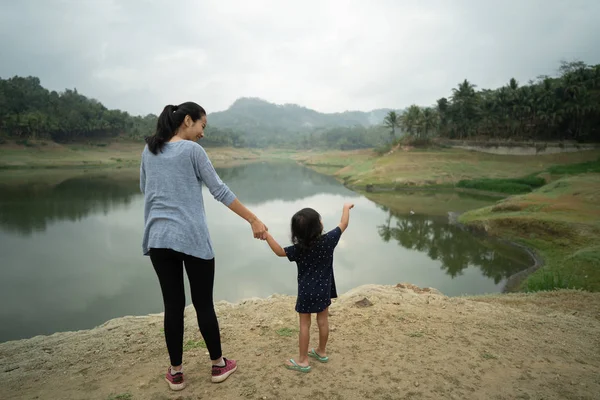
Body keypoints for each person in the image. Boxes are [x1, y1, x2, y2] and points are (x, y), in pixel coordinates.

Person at [140, 102, 268, 391]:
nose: (202, 133)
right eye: (202, 126)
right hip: (191, 237)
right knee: (202, 303)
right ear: (188, 121)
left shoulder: (149, 151)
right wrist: (253, 219)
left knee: (172, 306)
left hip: (158, 238)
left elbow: (145, 188)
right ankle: (218, 365)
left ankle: (176, 373)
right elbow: (219, 190)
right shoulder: (192, 151)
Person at [264, 203, 354, 373]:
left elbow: (279, 251)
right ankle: (321, 351)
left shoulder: (299, 249)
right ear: (318, 226)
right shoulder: (329, 240)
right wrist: (346, 208)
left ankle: (303, 360)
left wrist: (266, 235)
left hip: (306, 292)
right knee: (323, 321)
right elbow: (344, 223)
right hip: (324, 290)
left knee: (304, 324)